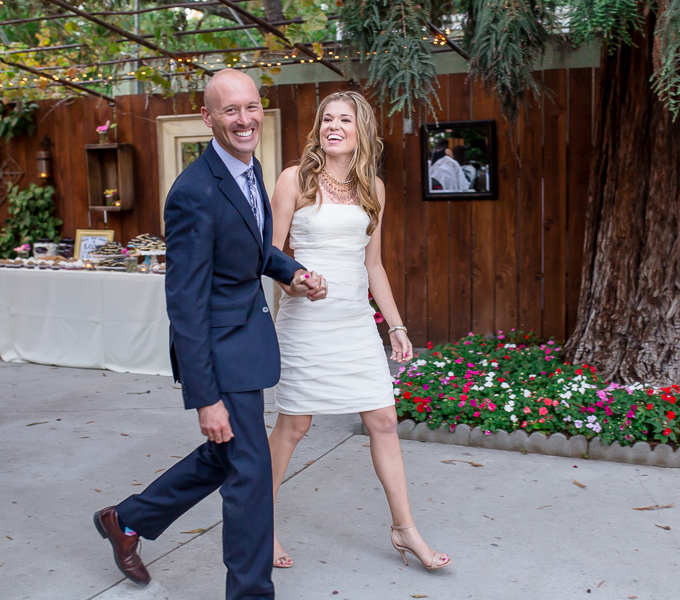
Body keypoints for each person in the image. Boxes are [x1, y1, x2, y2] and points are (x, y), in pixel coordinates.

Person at [92, 69, 325, 599]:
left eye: (250, 108)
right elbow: (187, 303)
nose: (243, 120)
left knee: (228, 456)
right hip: (222, 352)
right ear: (208, 118)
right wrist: (206, 398)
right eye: (229, 110)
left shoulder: (248, 167)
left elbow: (251, 247)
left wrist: (292, 271)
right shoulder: (193, 192)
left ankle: (126, 520)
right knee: (249, 471)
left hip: (247, 339)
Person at [266, 91, 451, 572]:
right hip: (305, 322)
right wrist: (296, 280)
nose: (333, 125)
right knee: (294, 426)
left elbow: (373, 265)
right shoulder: (295, 180)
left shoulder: (374, 187)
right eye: (327, 118)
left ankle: (404, 528)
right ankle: (258, 523)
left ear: (361, 130)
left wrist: (396, 325)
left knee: (385, 422)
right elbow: (268, 253)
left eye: (343, 119)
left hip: (354, 324)